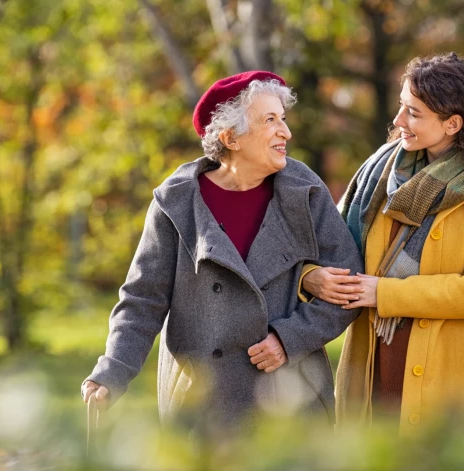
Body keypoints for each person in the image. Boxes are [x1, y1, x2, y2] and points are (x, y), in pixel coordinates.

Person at [82, 71, 363, 437]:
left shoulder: (305, 191)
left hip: (291, 398)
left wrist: (289, 338)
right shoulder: (177, 202)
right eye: (270, 120)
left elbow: (349, 285)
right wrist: (112, 371)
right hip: (203, 402)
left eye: (283, 118)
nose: (286, 132)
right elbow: (142, 299)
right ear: (230, 137)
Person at [299, 53, 464, 433]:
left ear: (452, 123)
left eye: (413, 112)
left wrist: (386, 293)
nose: (397, 122)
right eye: (400, 106)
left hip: (453, 384)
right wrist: (311, 277)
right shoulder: (379, 174)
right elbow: (323, 246)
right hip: (372, 371)